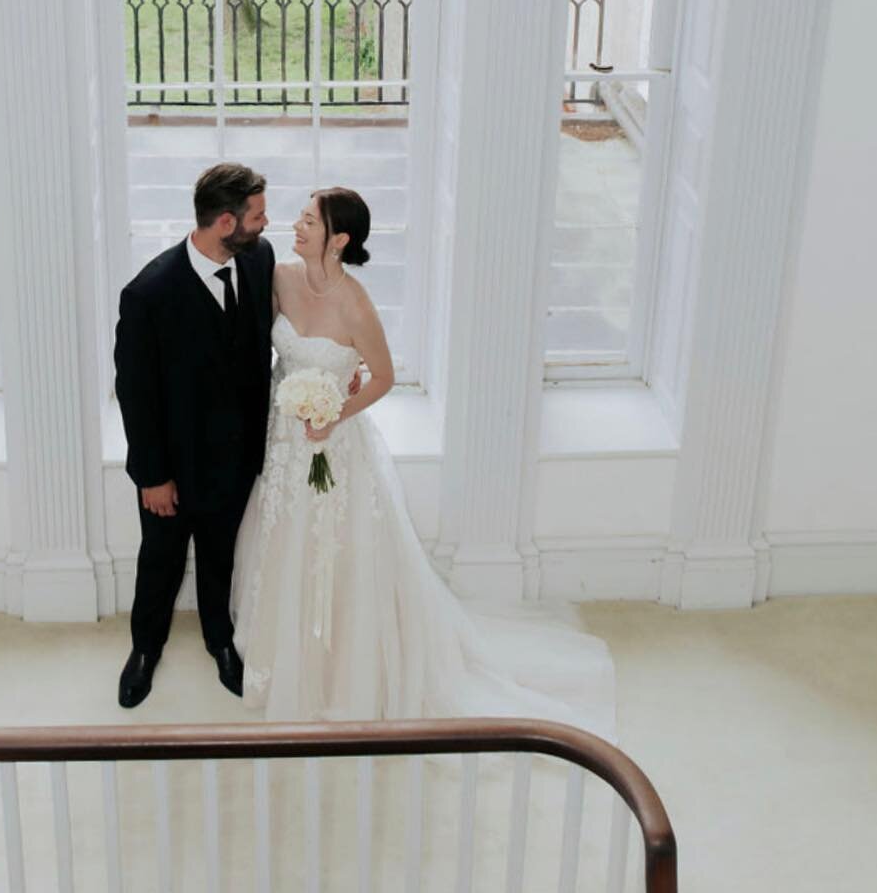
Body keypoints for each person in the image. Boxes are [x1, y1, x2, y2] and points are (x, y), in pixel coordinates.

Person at [232, 188, 614, 732]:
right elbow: (270, 348)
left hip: (333, 447)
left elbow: (383, 377)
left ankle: (337, 665)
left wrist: (334, 410)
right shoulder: (282, 277)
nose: (297, 225)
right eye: (300, 216)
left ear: (338, 239)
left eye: (309, 220)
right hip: (284, 439)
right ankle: (278, 655)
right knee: (283, 536)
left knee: (333, 550)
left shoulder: (357, 304)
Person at [112, 163, 276, 708]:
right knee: (160, 561)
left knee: (220, 557)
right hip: (172, 472)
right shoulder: (148, 294)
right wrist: (153, 476)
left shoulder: (259, 260)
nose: (266, 222)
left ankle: (220, 642)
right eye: (257, 215)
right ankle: (144, 651)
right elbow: (135, 395)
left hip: (238, 459)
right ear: (225, 222)